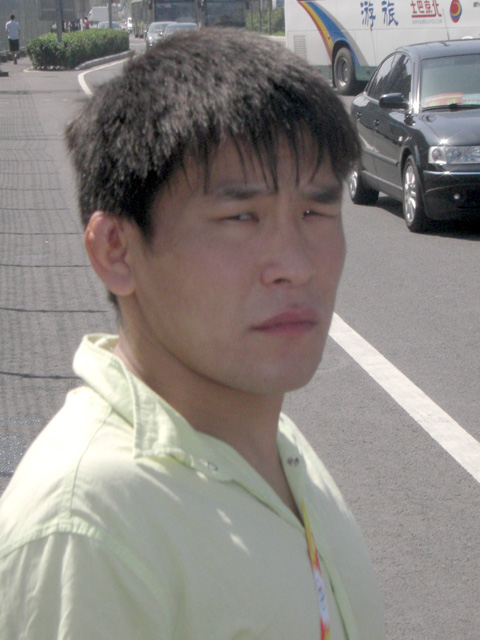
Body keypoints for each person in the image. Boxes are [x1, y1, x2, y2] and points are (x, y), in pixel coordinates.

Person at [0, 29, 385, 639]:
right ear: (116, 250)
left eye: (315, 211)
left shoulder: (273, 444)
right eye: (240, 217)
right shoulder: (89, 530)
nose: (296, 264)